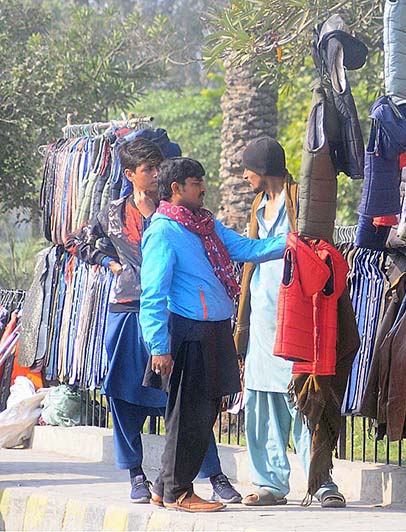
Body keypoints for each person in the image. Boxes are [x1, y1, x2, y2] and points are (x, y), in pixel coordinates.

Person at [67, 139, 241, 505]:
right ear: (130, 175)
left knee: (185, 400)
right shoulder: (112, 213)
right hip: (128, 309)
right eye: (148, 169)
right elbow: (77, 243)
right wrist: (109, 264)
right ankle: (137, 474)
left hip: (170, 314)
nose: (156, 174)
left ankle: (211, 474)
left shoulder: (174, 214)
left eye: (159, 167)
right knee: (125, 395)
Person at [139, 157, 286, 512]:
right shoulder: (164, 230)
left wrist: (291, 243)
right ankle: (179, 492)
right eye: (196, 182)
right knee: (189, 414)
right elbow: (153, 294)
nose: (203, 187)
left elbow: (244, 249)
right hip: (188, 333)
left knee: (202, 413)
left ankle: (162, 487)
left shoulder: (203, 224)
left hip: (214, 330)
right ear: (176, 189)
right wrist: (159, 347)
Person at [234, 136, 346, 508]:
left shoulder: (301, 200)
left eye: (248, 168)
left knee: (307, 397)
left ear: (263, 168)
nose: (245, 175)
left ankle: (321, 480)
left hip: (298, 315)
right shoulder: (257, 206)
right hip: (262, 319)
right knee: (263, 400)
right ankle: (270, 483)